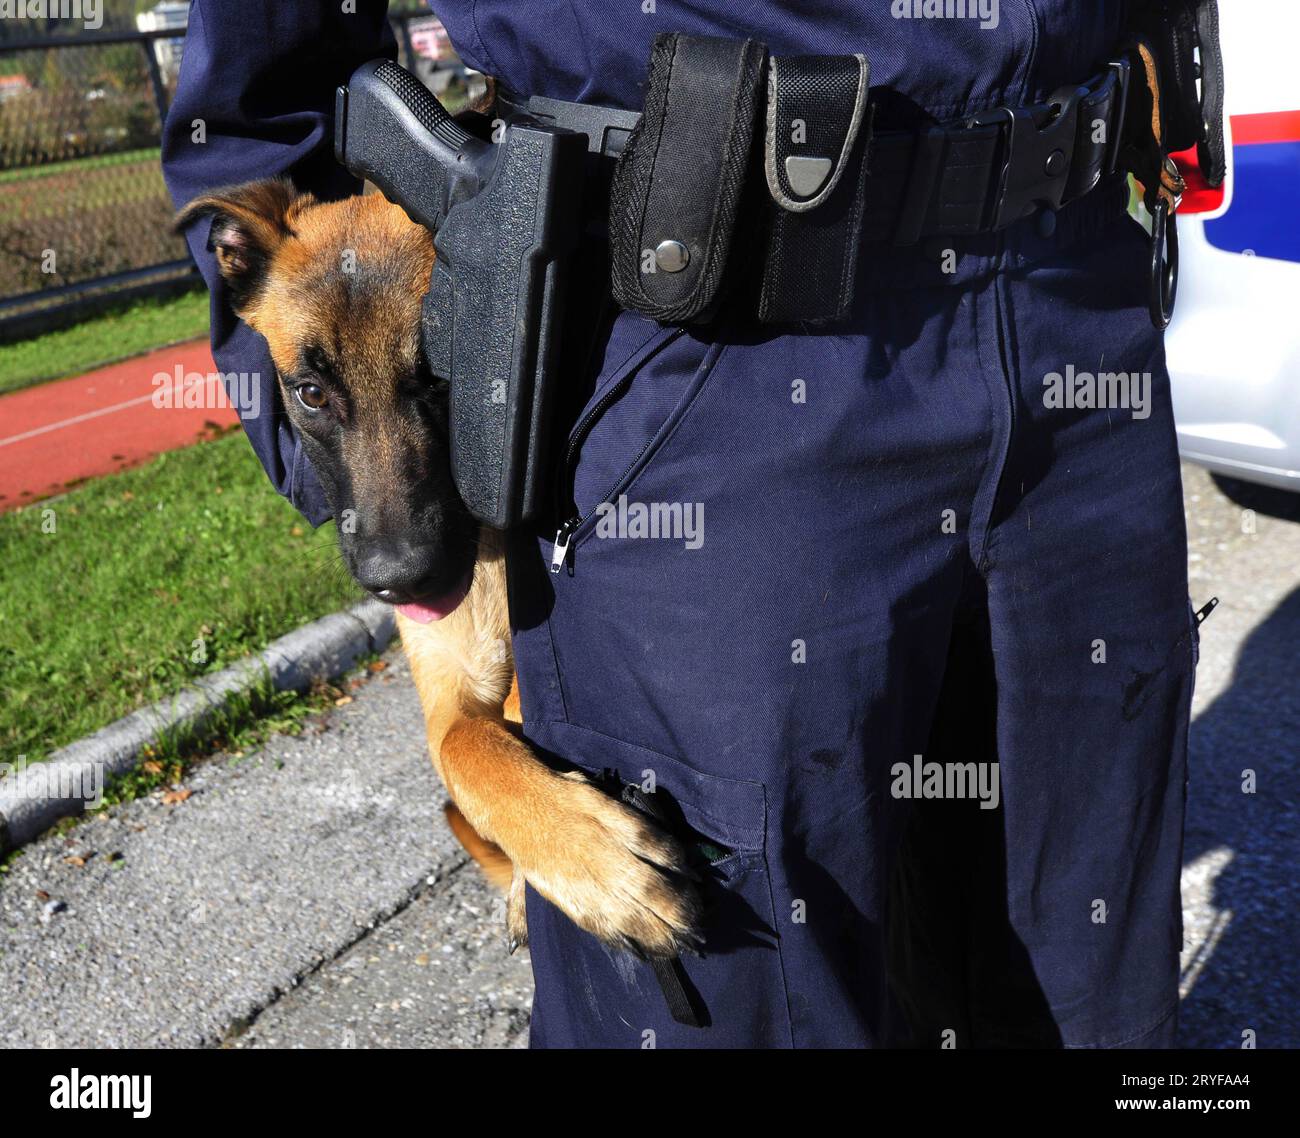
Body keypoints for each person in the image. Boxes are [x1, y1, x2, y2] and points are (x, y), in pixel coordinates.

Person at [166, 1, 1196, 1048]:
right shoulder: (381, 291)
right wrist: (328, 421)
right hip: (699, 333)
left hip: (1073, 287)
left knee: (1092, 973)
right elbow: (262, 99)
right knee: (743, 984)